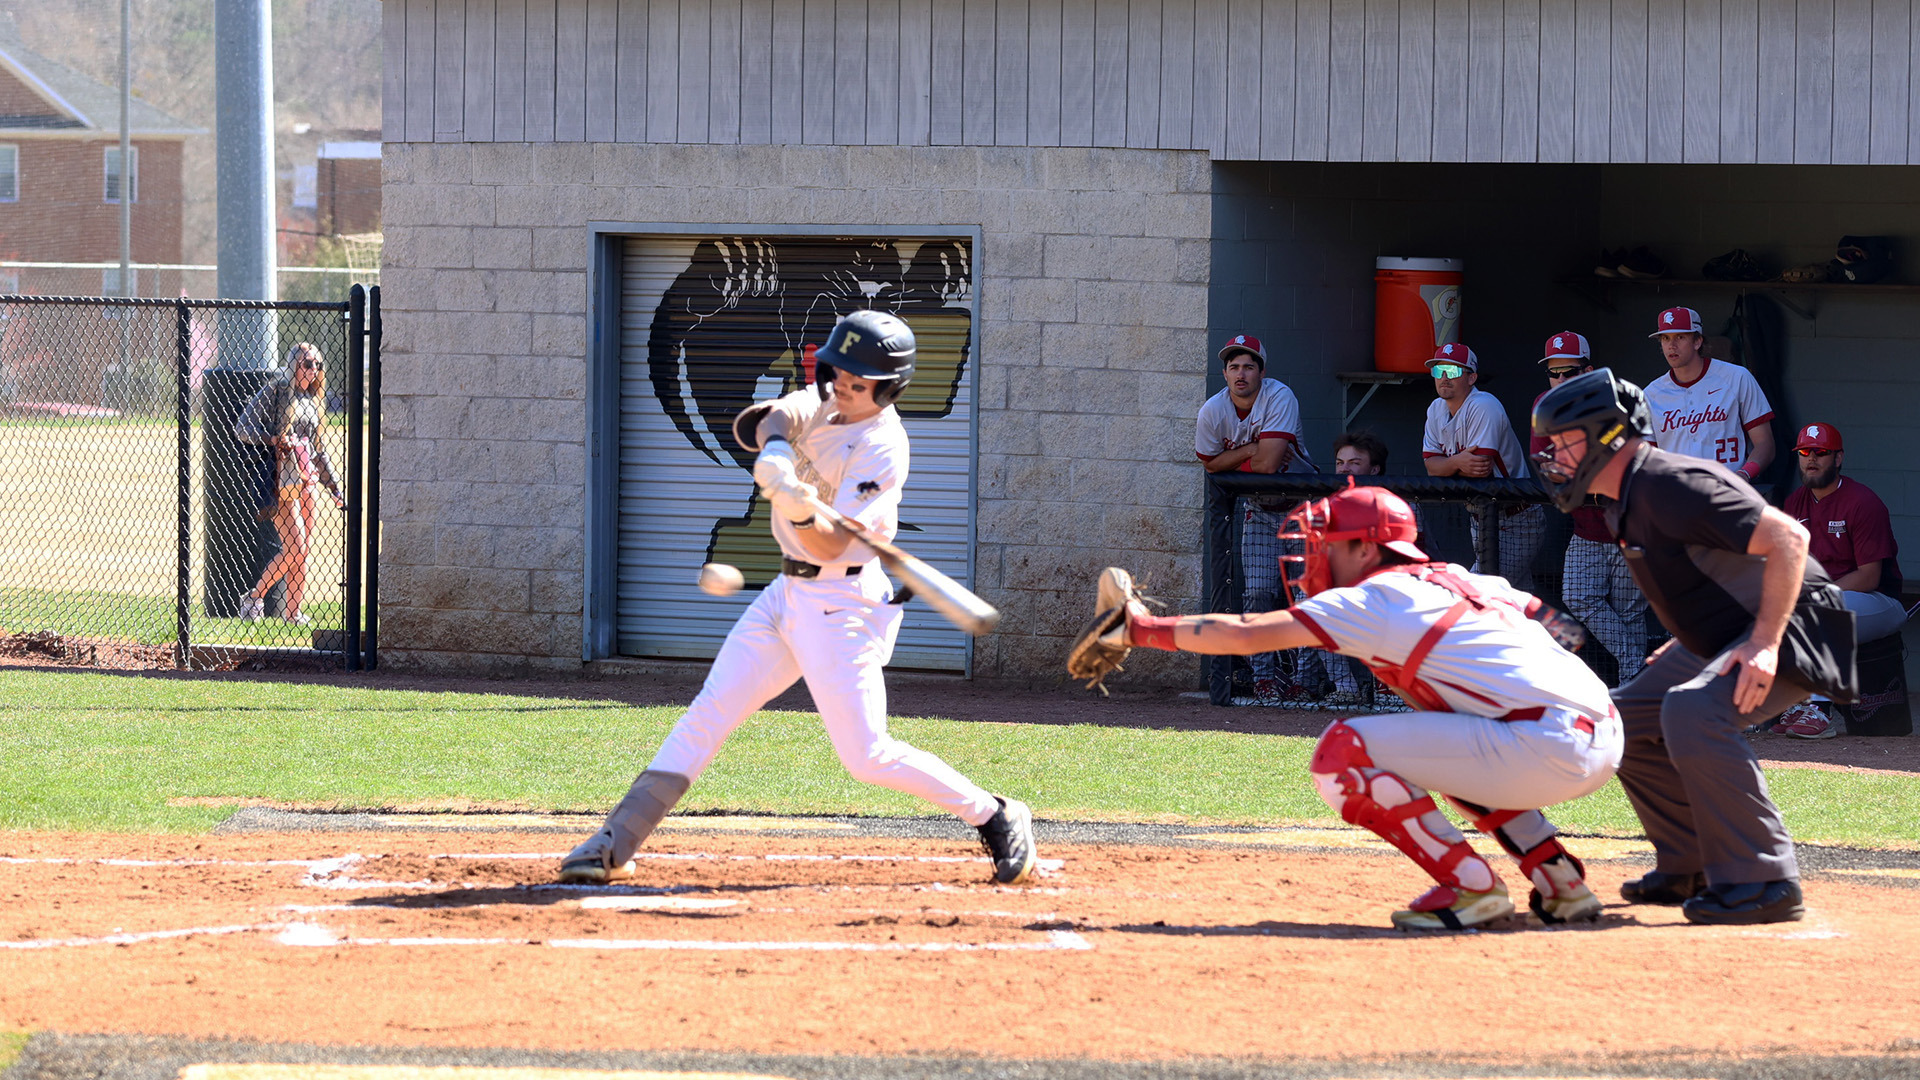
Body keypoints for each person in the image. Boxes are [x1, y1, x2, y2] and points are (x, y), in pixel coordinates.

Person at [558, 310, 1038, 886]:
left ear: (888, 389)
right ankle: (616, 840)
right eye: (838, 373)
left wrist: (798, 507)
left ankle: (996, 814)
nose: (843, 387)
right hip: (785, 595)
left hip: (844, 605)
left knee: (866, 756)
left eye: (859, 383)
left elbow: (834, 544)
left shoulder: (883, 446)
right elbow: (773, 417)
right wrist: (779, 451)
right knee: (710, 711)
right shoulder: (825, 399)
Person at [1068, 484, 1621, 931]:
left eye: (1328, 542)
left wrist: (1141, 629)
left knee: (1342, 751)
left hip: (1545, 742)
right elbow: (1563, 629)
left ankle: (1471, 888)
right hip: (1600, 732)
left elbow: (1246, 635)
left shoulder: (1373, 596)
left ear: (1366, 548)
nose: (1315, 553)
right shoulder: (1462, 577)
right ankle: (1562, 884)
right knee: (1453, 740)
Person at [1532, 369, 1856, 925]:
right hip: (1735, 628)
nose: (1554, 455)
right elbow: (1710, 578)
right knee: (1619, 719)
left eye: (1564, 440)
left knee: (1692, 709)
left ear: (1608, 434)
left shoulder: (1668, 482)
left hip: (1798, 621)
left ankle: (1765, 877)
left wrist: (1763, 642)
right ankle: (1689, 863)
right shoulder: (1627, 498)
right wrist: (1689, 643)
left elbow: (1788, 539)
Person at [1195, 333, 1317, 704]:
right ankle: (1265, 677)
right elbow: (1209, 464)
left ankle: (1306, 679)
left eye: (1249, 366)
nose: (1241, 373)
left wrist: (1240, 458)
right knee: (1257, 595)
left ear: (1262, 372)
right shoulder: (1213, 410)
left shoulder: (1279, 396)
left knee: (1305, 598)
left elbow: (1263, 465)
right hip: (1258, 512)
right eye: (1234, 367)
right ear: (1225, 373)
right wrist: (1252, 447)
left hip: (1300, 509)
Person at [1527, 332, 1649, 685]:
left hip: (1628, 524)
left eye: (1570, 372)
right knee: (1578, 597)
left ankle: (1634, 690)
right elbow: (1547, 466)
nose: (1561, 380)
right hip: (1586, 529)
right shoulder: (1543, 406)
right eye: (1554, 373)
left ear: (1589, 371)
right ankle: (1637, 668)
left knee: (1630, 612)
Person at [1772, 422, 1906, 739]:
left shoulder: (1862, 502)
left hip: (1880, 602)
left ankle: (1820, 710)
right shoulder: (1795, 503)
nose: (1812, 458)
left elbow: (1870, 577)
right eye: (1805, 452)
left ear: (1839, 458)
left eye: (1821, 452)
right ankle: (1794, 703)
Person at [235, 342, 345, 625]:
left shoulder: (313, 400)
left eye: (318, 364)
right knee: (294, 548)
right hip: (282, 477)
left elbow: (319, 451)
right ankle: (253, 598)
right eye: (308, 363)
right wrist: (273, 440)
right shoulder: (277, 390)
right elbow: (242, 428)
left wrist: (334, 488)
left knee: (303, 550)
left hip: (307, 479)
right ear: (293, 364)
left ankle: (292, 615)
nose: (314, 370)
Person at [1420, 343, 1543, 590]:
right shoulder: (1435, 409)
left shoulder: (1483, 404)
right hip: (1480, 517)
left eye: (1453, 371)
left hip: (1517, 517)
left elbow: (1479, 471)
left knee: (1475, 593)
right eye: (1438, 371)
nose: (1444, 378)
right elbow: (1431, 467)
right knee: (1517, 600)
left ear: (1472, 377)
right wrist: (1456, 462)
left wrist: (1447, 465)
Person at [1641, 306, 1775, 480]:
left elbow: (1765, 444)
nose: (1671, 346)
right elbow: (1646, 460)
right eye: (1665, 338)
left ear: (1698, 341)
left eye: (1680, 337)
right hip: (1677, 496)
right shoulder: (1650, 394)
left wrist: (1744, 475)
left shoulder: (1737, 378)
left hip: (1727, 490)